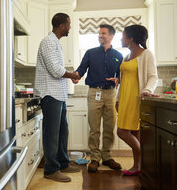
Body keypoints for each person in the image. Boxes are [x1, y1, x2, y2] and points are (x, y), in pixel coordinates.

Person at [34, 13, 81, 182]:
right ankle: (51, 169)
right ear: (62, 25)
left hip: (58, 94)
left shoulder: (55, 43)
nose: (69, 27)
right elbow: (55, 69)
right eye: (68, 24)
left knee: (62, 130)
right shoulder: (48, 42)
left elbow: (58, 69)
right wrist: (72, 74)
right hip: (50, 93)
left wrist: (70, 75)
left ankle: (62, 163)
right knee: (52, 133)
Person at [107, 25, 158, 176]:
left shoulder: (147, 54)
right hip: (124, 98)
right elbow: (124, 80)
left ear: (131, 39)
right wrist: (117, 99)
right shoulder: (127, 56)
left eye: (123, 36)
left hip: (136, 99)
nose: (121, 39)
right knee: (135, 134)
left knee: (122, 132)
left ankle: (150, 159)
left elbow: (153, 76)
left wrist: (147, 90)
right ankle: (138, 166)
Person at [73, 24, 123, 172]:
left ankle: (107, 157)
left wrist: (118, 80)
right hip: (94, 93)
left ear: (111, 36)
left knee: (109, 127)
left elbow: (121, 75)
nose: (100, 35)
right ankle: (95, 158)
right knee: (94, 127)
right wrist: (76, 76)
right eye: (99, 33)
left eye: (103, 33)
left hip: (110, 94)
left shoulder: (119, 56)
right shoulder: (90, 53)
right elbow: (81, 69)